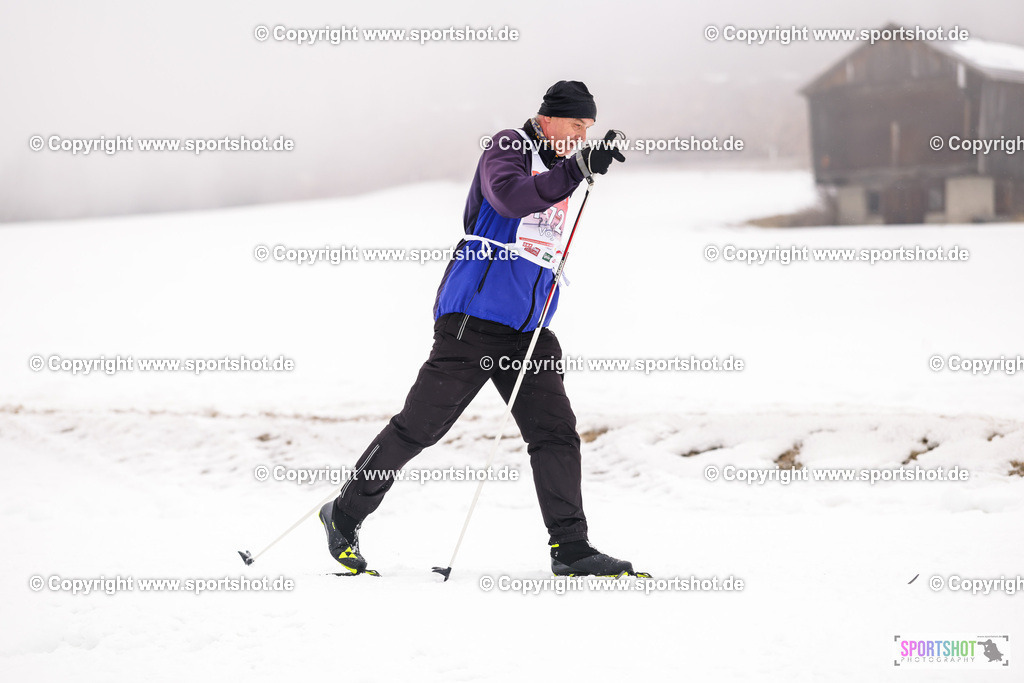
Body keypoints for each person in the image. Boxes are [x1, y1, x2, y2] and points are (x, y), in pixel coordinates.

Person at [320, 80, 631, 576]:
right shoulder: (509, 145)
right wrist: (577, 167)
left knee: (555, 434)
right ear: (547, 118)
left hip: (528, 332)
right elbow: (509, 200)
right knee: (420, 428)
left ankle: (571, 548)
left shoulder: (562, 167)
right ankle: (344, 513)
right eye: (576, 124)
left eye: (589, 129)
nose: (582, 135)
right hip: (473, 320)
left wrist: (578, 167)